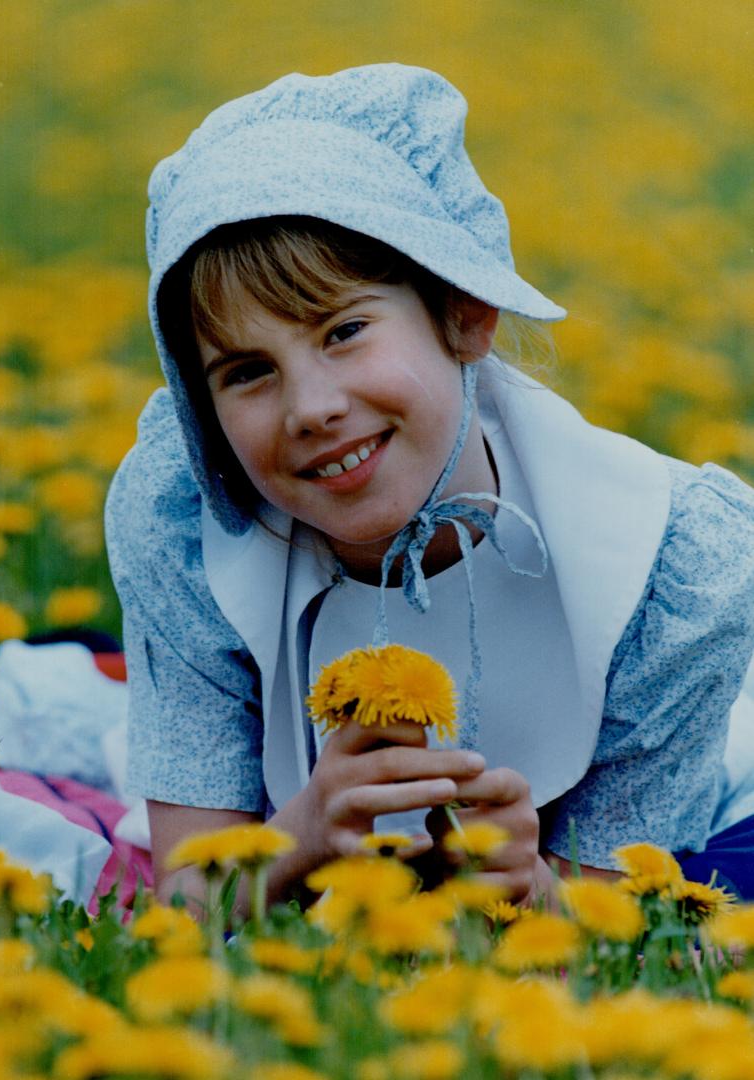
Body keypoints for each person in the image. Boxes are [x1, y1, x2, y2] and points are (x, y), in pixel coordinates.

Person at [106, 63, 754, 914]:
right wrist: (302, 833)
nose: (312, 408)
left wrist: (535, 888)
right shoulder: (188, 530)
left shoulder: (661, 562)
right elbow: (189, 901)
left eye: (344, 330)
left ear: (465, 312)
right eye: (247, 372)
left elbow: (610, 921)